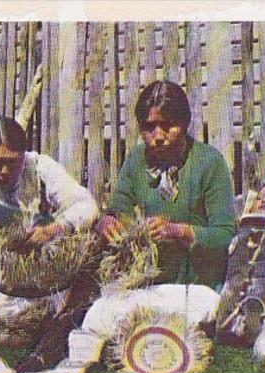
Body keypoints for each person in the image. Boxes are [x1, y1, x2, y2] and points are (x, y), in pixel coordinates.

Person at [0, 116, 100, 373]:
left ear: (24, 155)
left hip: (43, 278)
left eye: (12, 163)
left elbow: (86, 206)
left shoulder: (40, 168)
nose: (3, 172)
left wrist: (54, 229)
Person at [98, 80, 237, 289]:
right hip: (146, 283)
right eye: (149, 127)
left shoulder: (209, 162)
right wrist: (108, 223)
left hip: (197, 286)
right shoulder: (137, 160)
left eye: (167, 125)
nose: (158, 136)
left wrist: (180, 232)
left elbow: (226, 236)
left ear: (184, 123)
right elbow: (118, 208)